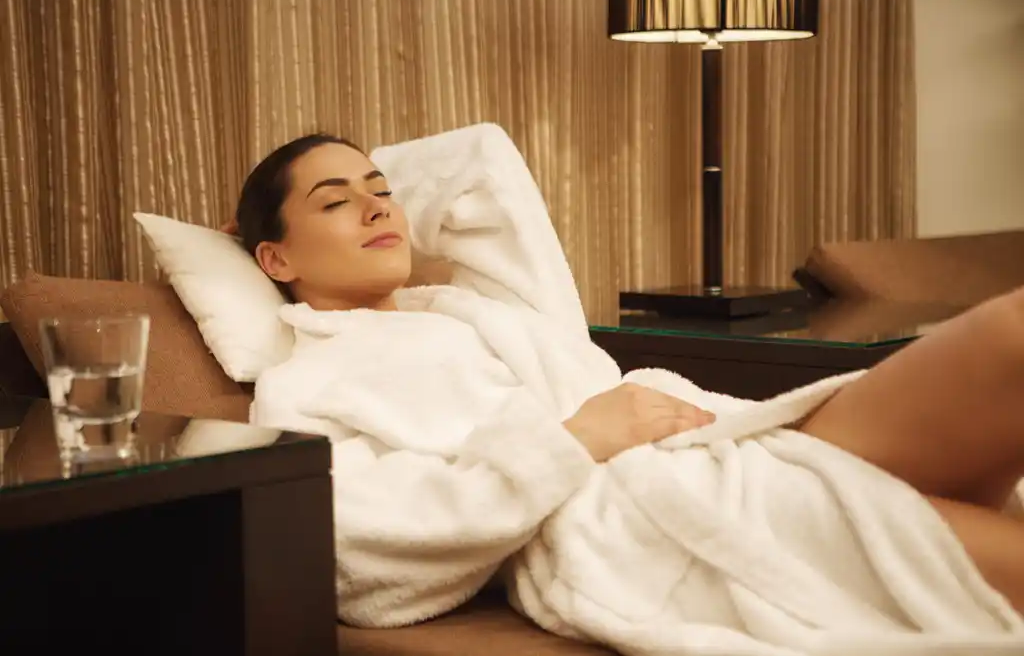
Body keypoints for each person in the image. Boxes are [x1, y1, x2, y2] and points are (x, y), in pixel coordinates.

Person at [229, 131, 1024, 650]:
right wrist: (573, 442)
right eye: (335, 202)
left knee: (1010, 337)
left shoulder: (473, 308)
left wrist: (367, 190)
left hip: (712, 448)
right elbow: (361, 554)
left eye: (382, 187)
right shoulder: (305, 382)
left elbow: (481, 169)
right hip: (638, 520)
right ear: (275, 259)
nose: (376, 205)